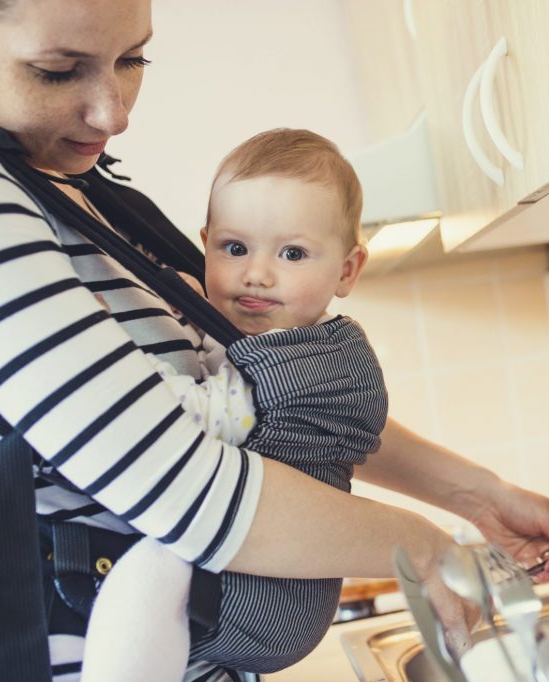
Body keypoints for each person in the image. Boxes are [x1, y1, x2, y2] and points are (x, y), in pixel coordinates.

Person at [0, 1, 549, 679]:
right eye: (59, 70)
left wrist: (477, 496)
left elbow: (272, 401)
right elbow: (183, 486)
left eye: (132, 59)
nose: (114, 113)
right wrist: (427, 551)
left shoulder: (77, 191)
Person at [81, 127, 389, 679]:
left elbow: (194, 415)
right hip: (269, 576)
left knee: (152, 565)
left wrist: (107, 353)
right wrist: (190, 311)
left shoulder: (312, 361)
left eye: (292, 253)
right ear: (205, 243)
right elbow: (219, 360)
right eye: (234, 248)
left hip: (271, 598)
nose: (256, 273)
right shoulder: (259, 335)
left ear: (347, 271)